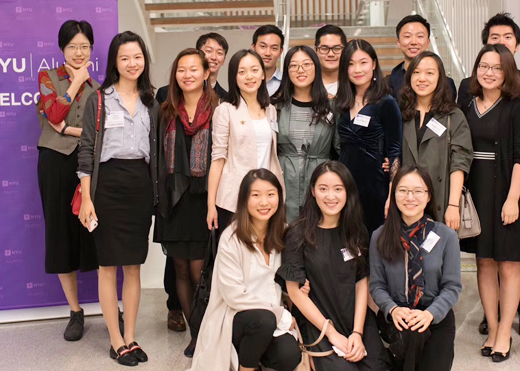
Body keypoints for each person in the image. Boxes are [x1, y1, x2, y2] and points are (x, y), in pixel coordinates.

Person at [457, 12, 520, 339]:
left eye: (496, 68)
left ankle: (505, 331)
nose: (489, 73)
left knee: (508, 264)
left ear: (507, 71)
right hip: (477, 193)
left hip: (507, 193)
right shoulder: (468, 106)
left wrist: (513, 199)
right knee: (484, 263)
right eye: (483, 66)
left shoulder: (516, 108)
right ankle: (492, 328)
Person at [77, 31, 158, 366]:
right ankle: (115, 340)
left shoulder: (152, 102)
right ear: (114, 62)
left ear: (144, 61)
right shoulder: (99, 99)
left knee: (134, 266)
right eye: (124, 58)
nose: (131, 63)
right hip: (107, 186)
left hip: (140, 185)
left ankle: (131, 336)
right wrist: (87, 198)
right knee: (107, 266)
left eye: (137, 57)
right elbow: (86, 151)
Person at [277, 161, 392, 371]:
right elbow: (294, 292)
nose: (331, 196)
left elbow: (361, 282)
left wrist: (357, 332)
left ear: (348, 192)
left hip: (356, 319)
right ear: (313, 191)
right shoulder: (297, 233)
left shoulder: (356, 231)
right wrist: (331, 333)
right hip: (318, 323)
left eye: (338, 189)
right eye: (323, 189)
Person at [190, 169, 301, 371]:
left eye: (270, 194)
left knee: (289, 355)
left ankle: (254, 357)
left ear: (279, 197)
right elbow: (234, 295)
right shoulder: (231, 238)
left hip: (271, 319)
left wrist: (298, 289)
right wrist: (279, 313)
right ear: (244, 200)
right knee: (263, 320)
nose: (264, 202)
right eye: (256, 195)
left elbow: (287, 280)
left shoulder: (284, 233)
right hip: (236, 317)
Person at [156, 33, 229, 335]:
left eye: (194, 69)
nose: (187, 75)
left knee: (200, 271)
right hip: (174, 200)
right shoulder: (166, 110)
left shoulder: (220, 108)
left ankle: (208, 330)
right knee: (180, 270)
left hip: (205, 200)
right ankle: (196, 334)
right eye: (181, 70)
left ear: (206, 72)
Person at [36, 19, 99, 342]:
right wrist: (75, 83)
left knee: (95, 232)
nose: (79, 52)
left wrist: (67, 130)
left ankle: (108, 304)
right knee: (60, 233)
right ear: (62, 48)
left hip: (87, 163)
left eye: (84, 46)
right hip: (55, 162)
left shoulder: (99, 88)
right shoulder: (48, 78)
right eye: (73, 46)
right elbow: (54, 114)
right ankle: (75, 311)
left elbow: (98, 131)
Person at [369, 165, 462, 371]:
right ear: (394, 195)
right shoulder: (379, 236)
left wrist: (430, 314)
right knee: (410, 338)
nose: (410, 197)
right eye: (403, 190)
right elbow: (377, 286)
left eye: (418, 191)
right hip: (397, 316)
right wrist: (393, 309)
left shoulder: (446, 236)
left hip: (436, 315)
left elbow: (452, 287)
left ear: (429, 196)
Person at [206, 49, 285, 237]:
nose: (249, 76)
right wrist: (211, 205)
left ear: (262, 74)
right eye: (242, 72)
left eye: (254, 70)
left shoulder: (270, 110)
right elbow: (217, 160)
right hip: (233, 198)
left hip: (266, 198)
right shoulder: (225, 110)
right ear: (234, 77)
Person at [398, 51, 473, 228]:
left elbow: (459, 163)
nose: (422, 78)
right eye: (416, 72)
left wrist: (453, 205)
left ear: (440, 78)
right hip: (406, 201)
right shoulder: (401, 114)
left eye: (430, 73)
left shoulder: (453, 116)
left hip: (441, 200)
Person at [336, 39, 402, 235]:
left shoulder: (386, 102)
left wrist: (392, 195)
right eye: (351, 64)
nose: (357, 69)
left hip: (376, 187)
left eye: (363, 62)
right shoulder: (342, 103)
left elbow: (395, 151)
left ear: (373, 64)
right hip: (345, 185)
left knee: (375, 241)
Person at [273, 46, 338, 222]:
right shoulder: (275, 107)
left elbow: (340, 148)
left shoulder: (332, 106)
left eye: (306, 64)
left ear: (316, 67)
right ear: (287, 71)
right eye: (294, 65)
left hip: (321, 184)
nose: (300, 70)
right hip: (284, 184)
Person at [389, 15, 457, 103]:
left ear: (428, 42)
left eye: (420, 36)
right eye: (407, 36)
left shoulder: (446, 83)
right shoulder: (388, 83)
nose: (413, 42)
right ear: (398, 42)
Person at [314, 24, 348, 96]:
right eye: (324, 49)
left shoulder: (354, 83)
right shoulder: (307, 84)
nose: (331, 54)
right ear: (316, 50)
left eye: (337, 48)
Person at [251, 25, 285, 96]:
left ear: (280, 52)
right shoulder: (244, 80)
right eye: (263, 46)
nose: (268, 53)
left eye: (274, 48)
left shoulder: (287, 82)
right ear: (253, 48)